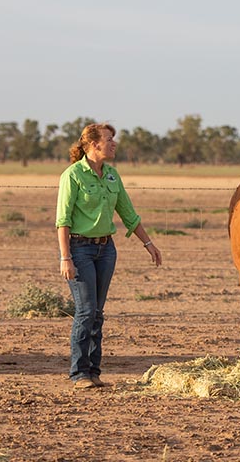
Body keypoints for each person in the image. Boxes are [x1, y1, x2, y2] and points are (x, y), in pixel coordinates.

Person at [56, 122, 162, 389]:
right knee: (85, 311)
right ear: (93, 145)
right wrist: (65, 257)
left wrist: (148, 243)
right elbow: (63, 220)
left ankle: (94, 371)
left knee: (98, 313)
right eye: (109, 139)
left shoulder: (113, 175)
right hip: (80, 249)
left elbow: (128, 213)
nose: (114, 143)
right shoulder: (72, 175)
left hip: (107, 250)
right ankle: (79, 373)